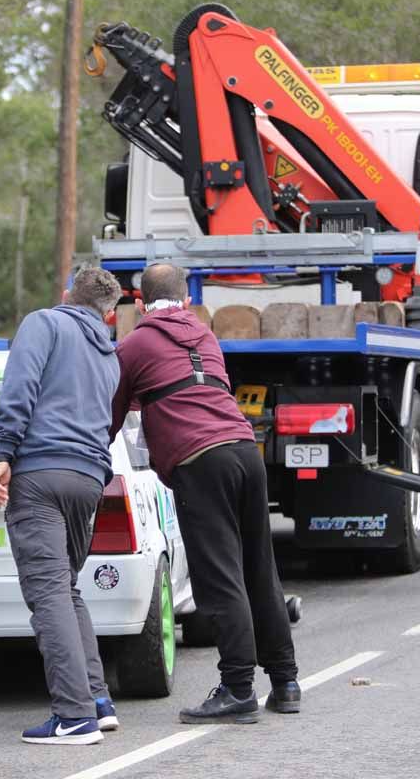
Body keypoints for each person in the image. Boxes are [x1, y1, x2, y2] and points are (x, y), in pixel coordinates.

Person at [109, 263, 299, 725]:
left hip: (200, 461)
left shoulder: (133, 345)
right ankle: (286, 681)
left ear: (140, 304)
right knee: (259, 567)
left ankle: (237, 689)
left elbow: (112, 413)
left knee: (220, 578)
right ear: (187, 299)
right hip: (243, 450)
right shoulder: (205, 336)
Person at [0, 267, 122, 746]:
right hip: (88, 478)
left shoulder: (44, 323)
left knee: (47, 595)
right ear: (108, 314)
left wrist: (3, 452)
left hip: (40, 473)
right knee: (66, 589)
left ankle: (73, 717)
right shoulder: (110, 355)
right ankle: (97, 701)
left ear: (67, 295)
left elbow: (19, 387)